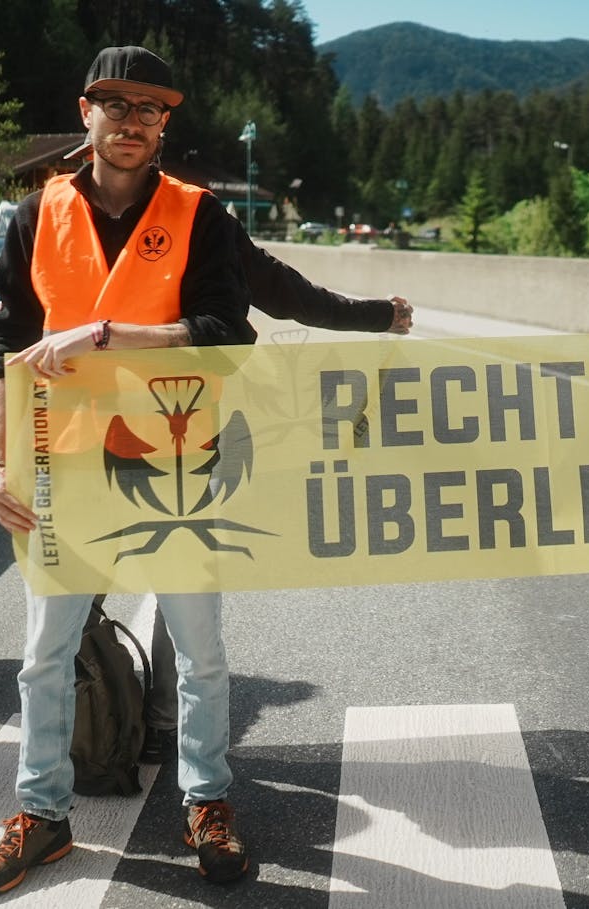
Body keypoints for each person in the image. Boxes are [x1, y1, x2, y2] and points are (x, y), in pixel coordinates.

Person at [0, 46, 257, 899]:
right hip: (63, 466)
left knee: (200, 655)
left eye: (152, 110)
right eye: (118, 105)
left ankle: (205, 800)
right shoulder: (32, 217)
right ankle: (42, 815)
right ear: (85, 112)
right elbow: (3, 355)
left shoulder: (201, 215)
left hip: (179, 462)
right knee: (44, 657)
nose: (134, 122)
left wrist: (107, 334)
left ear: (164, 126)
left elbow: (228, 334)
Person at [141, 244, 411, 762]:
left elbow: (289, 293)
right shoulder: (62, 213)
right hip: (125, 428)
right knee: (157, 578)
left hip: (159, 428)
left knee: (147, 579)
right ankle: (126, 722)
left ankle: (128, 722)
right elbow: (291, 294)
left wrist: (376, 315)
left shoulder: (194, 215)